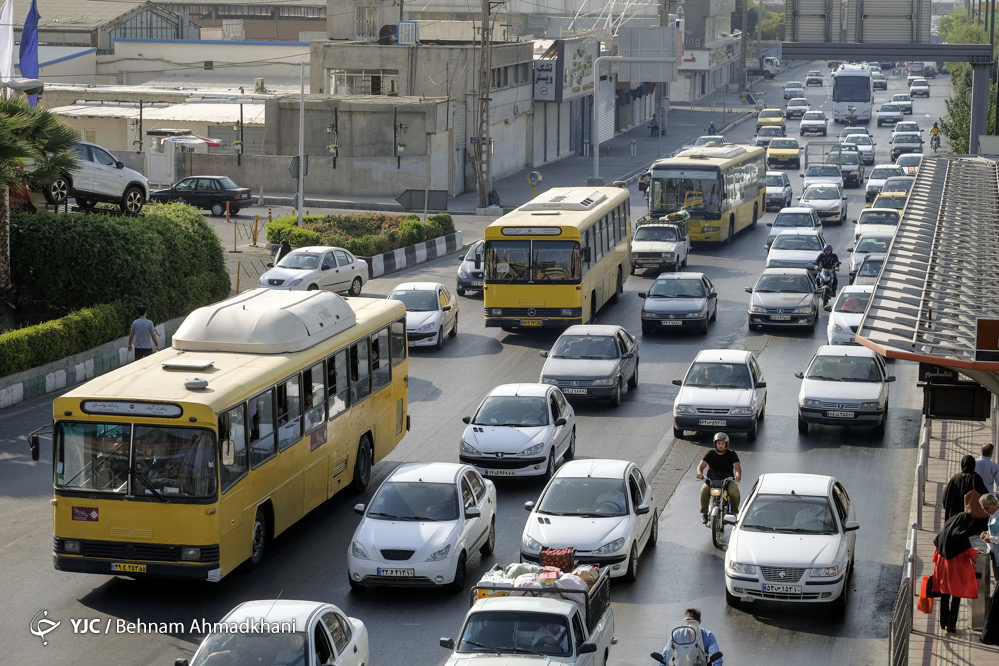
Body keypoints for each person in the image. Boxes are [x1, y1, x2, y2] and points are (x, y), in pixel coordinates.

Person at [931, 512, 980, 633]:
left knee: (944, 594)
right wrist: (976, 551)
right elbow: (969, 552)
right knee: (956, 595)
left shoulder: (944, 531)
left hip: (943, 566)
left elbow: (936, 548)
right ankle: (951, 625)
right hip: (957, 568)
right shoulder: (961, 534)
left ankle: (943, 622)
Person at [696, 433, 742, 525]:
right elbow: (701, 466)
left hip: (727, 480)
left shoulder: (731, 454)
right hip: (711, 480)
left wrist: (738, 474)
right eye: (718, 443)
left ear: (726, 444)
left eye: (722, 443)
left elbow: (737, 467)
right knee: (703, 491)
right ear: (715, 444)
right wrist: (700, 473)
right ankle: (704, 513)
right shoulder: (710, 453)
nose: (720, 445)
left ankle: (733, 513)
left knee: (735, 492)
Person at [658, 608, 722, 666]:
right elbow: (666, 654)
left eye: (693, 621)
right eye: (687, 621)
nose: (689, 624)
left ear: (699, 622)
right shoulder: (677, 634)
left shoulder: (708, 636)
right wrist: (662, 664)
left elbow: (716, 656)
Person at [942, 454, 989, 529]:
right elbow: (986, 496)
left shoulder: (955, 478)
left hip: (955, 520)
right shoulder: (976, 478)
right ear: (974, 465)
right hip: (973, 520)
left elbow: (946, 497)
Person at [980, 493, 999, 645]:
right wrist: (986, 537)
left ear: (994, 504)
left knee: (996, 598)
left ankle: (990, 634)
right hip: (995, 558)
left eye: (986, 508)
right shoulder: (992, 516)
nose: (985, 511)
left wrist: (990, 538)